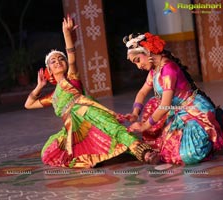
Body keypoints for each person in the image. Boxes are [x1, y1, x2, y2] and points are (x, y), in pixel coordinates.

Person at [24, 16, 159, 168]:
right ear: (48, 70)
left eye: (60, 59)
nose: (58, 62)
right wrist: (40, 86)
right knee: (48, 152)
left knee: (115, 130)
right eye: (53, 61)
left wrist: (67, 34)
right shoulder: (53, 97)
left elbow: (72, 58)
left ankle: (146, 154)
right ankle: (112, 155)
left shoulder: (71, 78)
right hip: (76, 128)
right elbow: (29, 104)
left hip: (90, 113)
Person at [123, 32, 223, 165]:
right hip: (176, 111)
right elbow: (142, 92)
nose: (138, 66)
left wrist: (145, 125)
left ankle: (210, 136)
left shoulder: (168, 69)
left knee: (188, 155)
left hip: (193, 111)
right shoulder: (155, 70)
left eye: (138, 61)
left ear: (147, 51)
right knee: (153, 103)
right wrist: (135, 114)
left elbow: (165, 104)